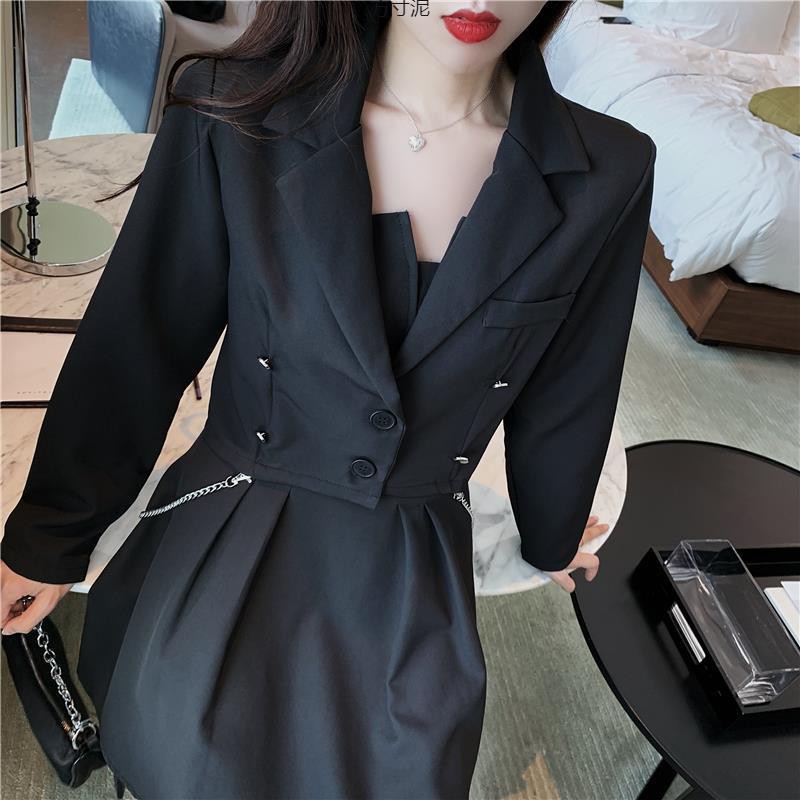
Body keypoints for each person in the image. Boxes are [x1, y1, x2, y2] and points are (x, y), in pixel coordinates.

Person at [1, 1, 655, 797]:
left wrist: (553, 529)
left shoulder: (609, 169)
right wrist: (48, 535)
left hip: (409, 567)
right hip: (227, 528)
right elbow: (140, 340)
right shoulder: (238, 109)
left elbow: (572, 382)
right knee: (182, 753)